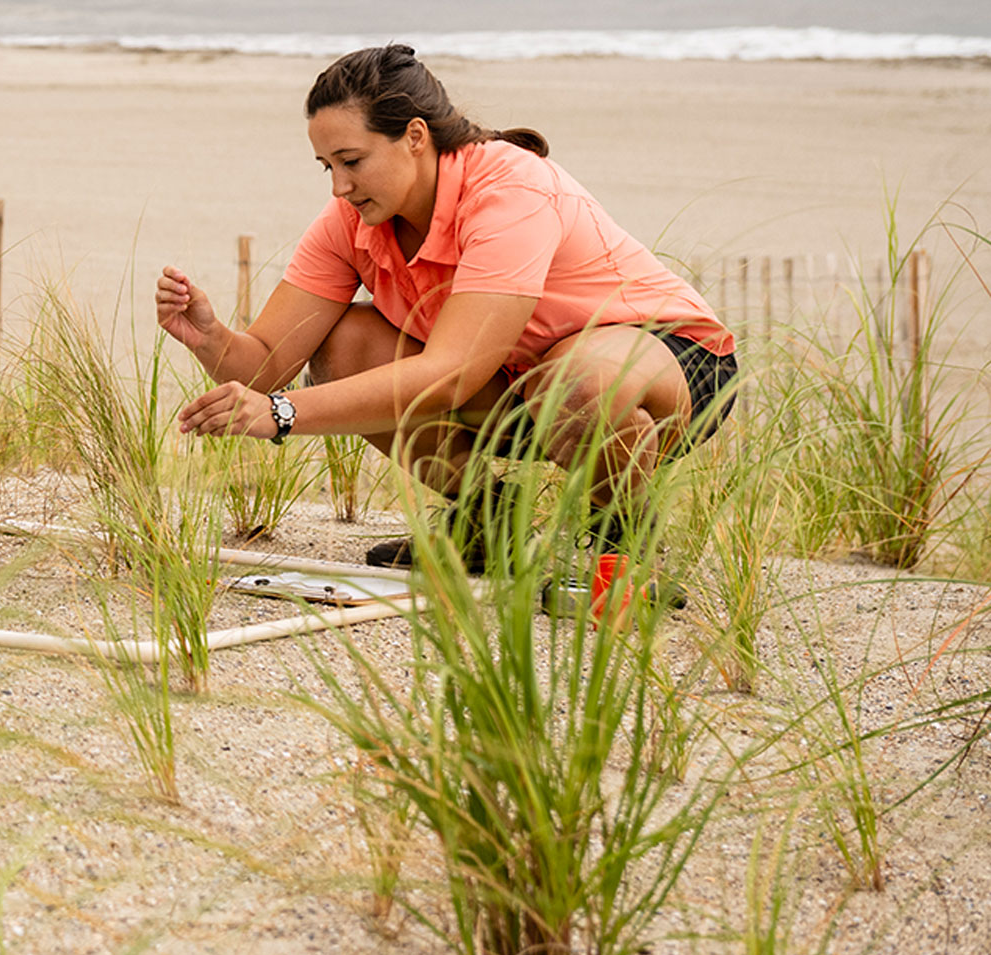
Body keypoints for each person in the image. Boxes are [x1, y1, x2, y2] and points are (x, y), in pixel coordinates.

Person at [156, 42, 736, 575]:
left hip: (664, 366)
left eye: (351, 161)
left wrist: (282, 414)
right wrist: (210, 338)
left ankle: (627, 538)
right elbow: (262, 372)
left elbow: (452, 375)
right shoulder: (350, 222)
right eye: (326, 166)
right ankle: (489, 524)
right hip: (520, 384)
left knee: (576, 379)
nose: (338, 187)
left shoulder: (510, 189)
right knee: (344, 346)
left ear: (414, 136)